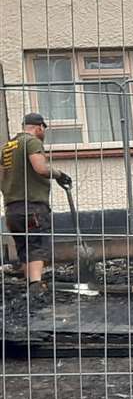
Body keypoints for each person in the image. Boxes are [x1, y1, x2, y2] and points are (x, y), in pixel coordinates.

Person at [2, 112, 71, 310]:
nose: (43, 133)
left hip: (12, 208)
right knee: (37, 245)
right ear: (39, 127)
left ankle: (29, 290)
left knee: (24, 246)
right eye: (44, 129)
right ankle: (36, 289)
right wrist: (59, 174)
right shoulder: (31, 142)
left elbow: (1, 178)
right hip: (32, 206)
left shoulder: (8, 146)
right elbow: (40, 168)